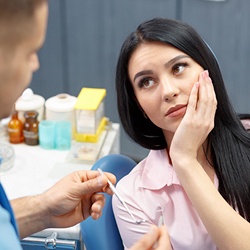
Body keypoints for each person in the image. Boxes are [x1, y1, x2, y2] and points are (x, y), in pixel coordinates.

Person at [0, 1, 165, 249]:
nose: (35, 65)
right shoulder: (135, 195)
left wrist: (41, 210)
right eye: (29, 52)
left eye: (179, 67)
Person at [113, 17, 250, 250]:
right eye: (146, 82)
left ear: (208, 70)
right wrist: (183, 158)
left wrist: (185, 159)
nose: (168, 91)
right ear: (139, 107)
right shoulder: (133, 197)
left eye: (178, 68)